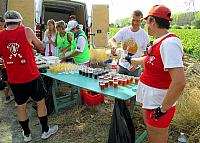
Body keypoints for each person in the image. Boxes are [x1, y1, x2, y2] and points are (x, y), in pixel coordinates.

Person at [0, 11, 58, 142]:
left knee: (20, 106)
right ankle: (45, 131)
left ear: (5, 22)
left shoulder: (0, 35)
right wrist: (30, 47)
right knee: (40, 102)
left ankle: (27, 134)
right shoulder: (27, 31)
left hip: (14, 79)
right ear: (20, 21)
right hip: (31, 76)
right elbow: (41, 46)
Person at [130, 5, 186, 142]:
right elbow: (151, 59)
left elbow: (179, 82)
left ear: (152, 21)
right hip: (151, 100)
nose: (145, 26)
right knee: (151, 134)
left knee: (157, 139)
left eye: (146, 22)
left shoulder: (169, 44)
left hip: (158, 103)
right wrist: (132, 60)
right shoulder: (159, 41)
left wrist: (162, 109)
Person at [108, 10, 149, 77]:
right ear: (130, 18)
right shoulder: (124, 30)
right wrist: (113, 46)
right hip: (122, 66)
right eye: (133, 20)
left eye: (137, 21)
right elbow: (112, 40)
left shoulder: (144, 35)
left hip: (135, 69)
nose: (135, 23)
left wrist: (137, 65)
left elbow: (146, 55)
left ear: (141, 21)